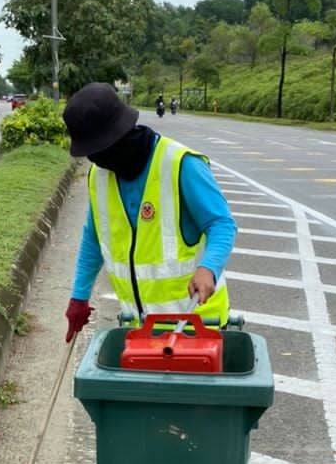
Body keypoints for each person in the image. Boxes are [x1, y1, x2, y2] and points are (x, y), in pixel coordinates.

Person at [61, 82, 236, 342]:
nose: (96, 160)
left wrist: (207, 268)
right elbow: (93, 238)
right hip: (139, 329)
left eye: (99, 150)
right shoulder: (100, 176)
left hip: (196, 326)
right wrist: (79, 296)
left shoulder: (180, 164)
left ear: (119, 135)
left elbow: (221, 224)